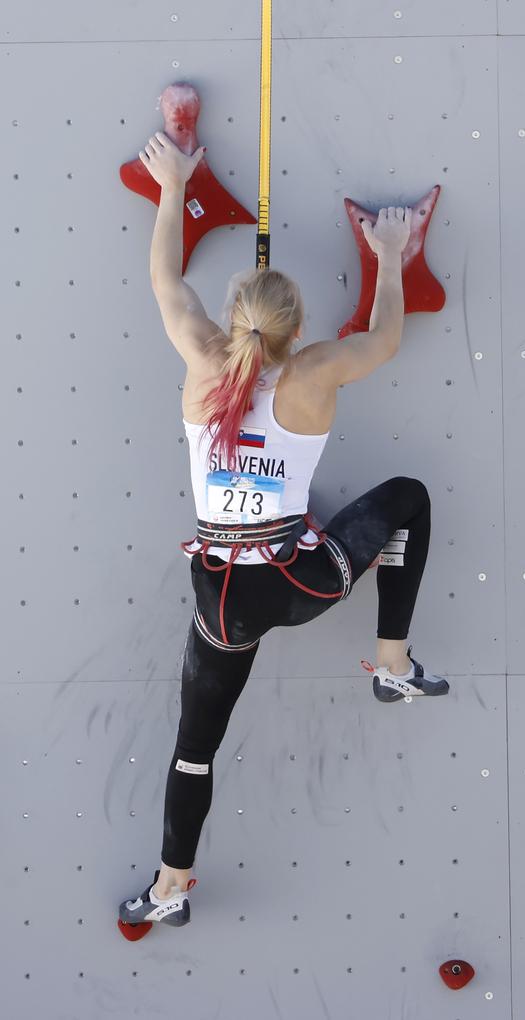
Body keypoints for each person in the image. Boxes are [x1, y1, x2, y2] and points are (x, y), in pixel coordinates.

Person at [118, 132, 448, 933]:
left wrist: (173, 185)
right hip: (298, 583)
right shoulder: (315, 371)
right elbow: (387, 340)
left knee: (194, 748)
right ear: (296, 331)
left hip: (220, 604)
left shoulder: (202, 360)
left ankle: (169, 887)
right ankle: (392, 665)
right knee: (408, 497)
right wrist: (393, 253)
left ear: (233, 323)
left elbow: (165, 280)